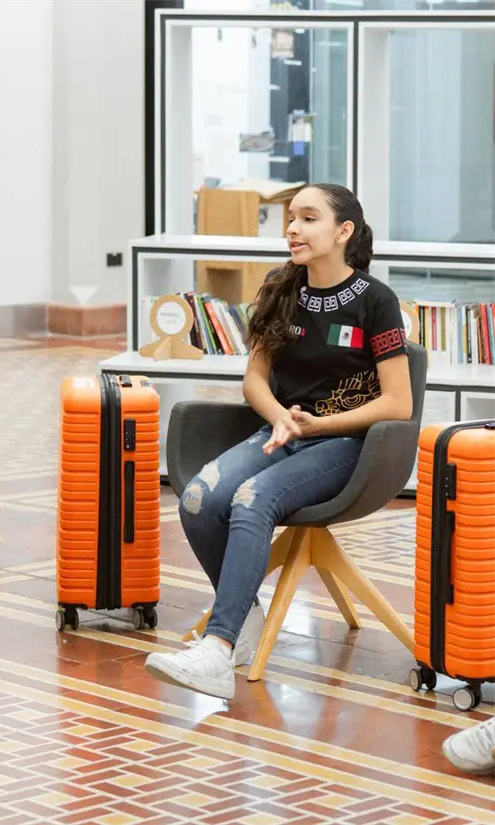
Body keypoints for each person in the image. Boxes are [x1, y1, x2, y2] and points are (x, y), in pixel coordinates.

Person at [144, 183, 412, 701]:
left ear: (343, 231)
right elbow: (255, 380)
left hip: (347, 446)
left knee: (250, 500)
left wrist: (317, 426)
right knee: (200, 498)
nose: (292, 228)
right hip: (282, 432)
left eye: (308, 219)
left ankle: (217, 650)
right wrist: (282, 421)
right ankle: (242, 622)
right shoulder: (279, 288)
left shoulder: (376, 301)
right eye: (291, 218)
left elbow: (398, 403)